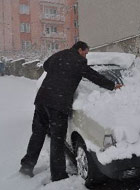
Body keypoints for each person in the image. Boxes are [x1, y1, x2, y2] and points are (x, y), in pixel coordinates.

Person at [19, 41, 122, 181]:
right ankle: (58, 175)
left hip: (42, 99)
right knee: (57, 140)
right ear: (80, 50)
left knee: (38, 133)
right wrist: (112, 85)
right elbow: (94, 76)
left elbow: (46, 66)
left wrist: (60, 72)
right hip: (58, 104)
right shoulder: (79, 62)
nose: (86, 55)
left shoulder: (59, 55)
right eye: (85, 52)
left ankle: (27, 166)